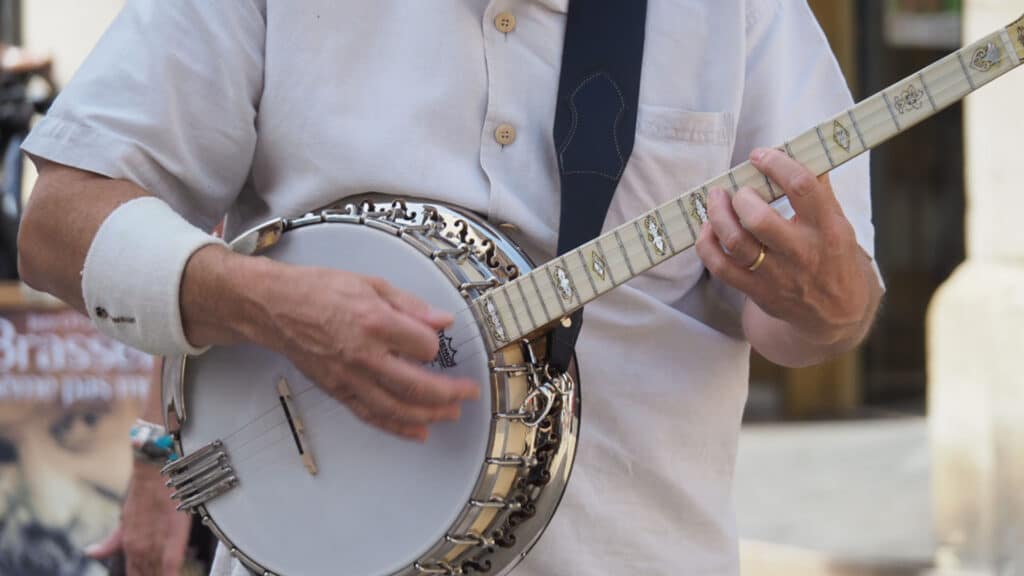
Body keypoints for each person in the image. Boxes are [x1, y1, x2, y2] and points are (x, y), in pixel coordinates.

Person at [17, 1, 883, 574]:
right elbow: (61, 219)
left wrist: (833, 304)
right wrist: (261, 310)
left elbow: (811, 321)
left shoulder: (742, 14)